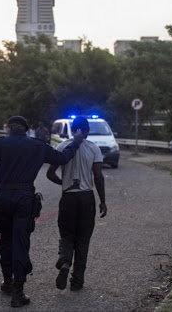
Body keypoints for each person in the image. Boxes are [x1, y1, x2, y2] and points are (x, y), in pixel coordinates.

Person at [0, 115, 83, 308]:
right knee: (20, 243)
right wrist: (75, 143)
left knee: (5, 240)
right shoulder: (37, 145)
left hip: (3, 198)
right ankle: (18, 293)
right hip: (24, 199)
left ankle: (7, 282)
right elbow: (62, 158)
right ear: (26, 128)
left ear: (9, 128)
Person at [46, 116, 107, 292]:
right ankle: (77, 281)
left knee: (66, 234)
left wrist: (64, 183)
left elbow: (50, 174)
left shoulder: (62, 147)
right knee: (83, 239)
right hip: (86, 198)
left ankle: (65, 261)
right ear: (87, 130)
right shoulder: (94, 148)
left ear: (73, 130)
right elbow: (99, 177)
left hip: (68, 197)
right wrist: (102, 201)